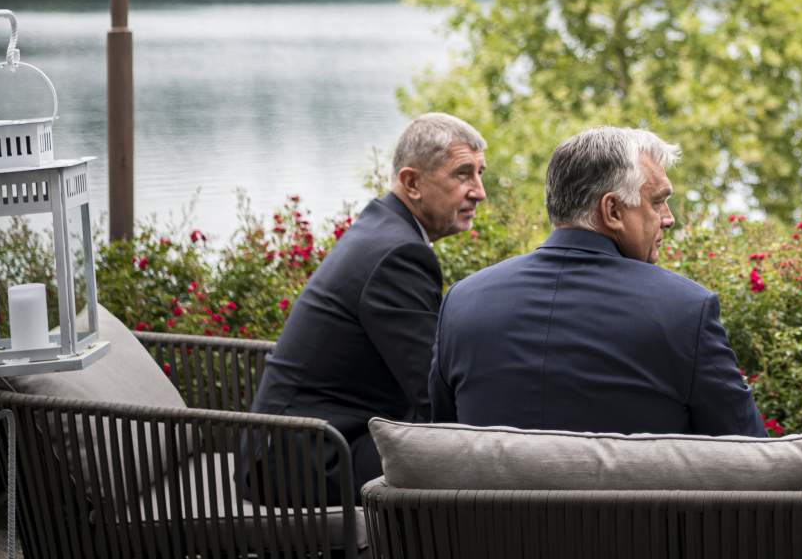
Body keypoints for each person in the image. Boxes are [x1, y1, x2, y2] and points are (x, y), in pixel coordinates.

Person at [429, 125, 764, 436]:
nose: (669, 218)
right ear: (613, 211)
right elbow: (751, 454)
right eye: (658, 201)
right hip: (638, 502)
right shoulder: (686, 310)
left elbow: (439, 447)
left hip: (486, 502)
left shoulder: (462, 302)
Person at [245, 112, 488, 502]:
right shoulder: (398, 252)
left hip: (304, 442)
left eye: (480, 173)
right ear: (412, 183)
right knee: (476, 464)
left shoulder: (386, 230)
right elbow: (431, 390)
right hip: (305, 460)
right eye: (463, 174)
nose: (479, 191)